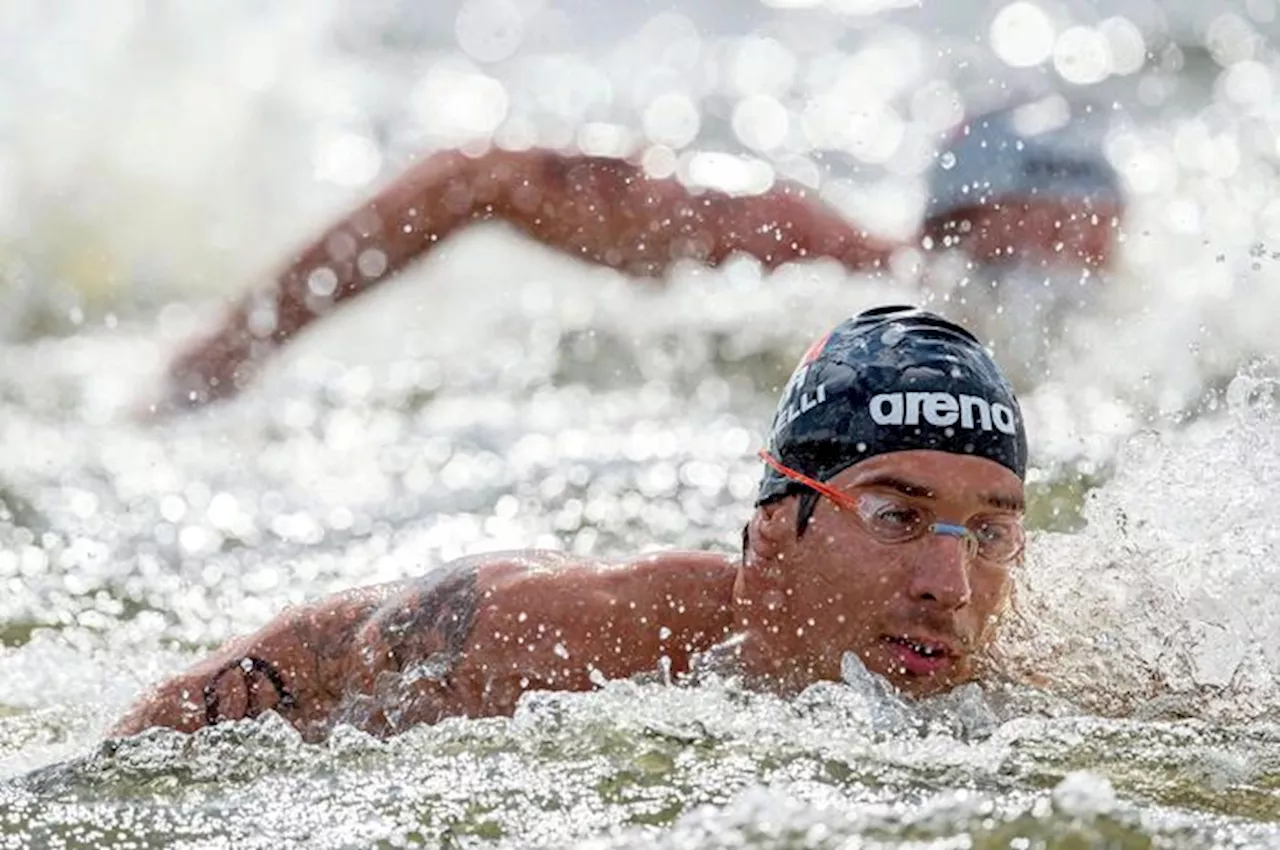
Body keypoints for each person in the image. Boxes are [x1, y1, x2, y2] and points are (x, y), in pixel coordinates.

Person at [112, 304, 1029, 742]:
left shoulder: (1048, 667)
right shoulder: (565, 637)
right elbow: (314, 648)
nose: (948, 588)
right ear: (772, 529)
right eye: (894, 516)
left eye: (989, 534)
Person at [152, 96, 1122, 412]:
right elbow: (472, 176)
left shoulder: (1104, 350)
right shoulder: (800, 249)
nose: (1102, 248)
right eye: (1077, 218)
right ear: (990, 211)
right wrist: (239, 344)